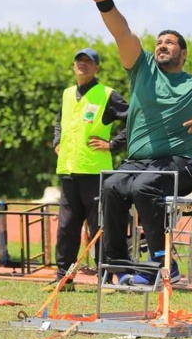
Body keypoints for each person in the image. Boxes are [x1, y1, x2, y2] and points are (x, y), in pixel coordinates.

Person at [85, 0, 192, 286]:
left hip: (181, 164)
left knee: (143, 189)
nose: (162, 45)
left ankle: (164, 264)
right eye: (159, 42)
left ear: (183, 53)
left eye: (170, 42)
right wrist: (105, 3)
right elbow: (122, 33)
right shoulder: (142, 67)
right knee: (111, 186)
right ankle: (117, 264)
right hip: (139, 163)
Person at [43, 47, 129, 291]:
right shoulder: (67, 94)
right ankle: (64, 278)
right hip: (68, 171)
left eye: (88, 61)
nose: (82, 64)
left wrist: (113, 144)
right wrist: (57, 141)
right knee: (66, 228)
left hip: (95, 173)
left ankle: (104, 278)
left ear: (96, 68)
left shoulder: (108, 94)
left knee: (98, 227)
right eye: (79, 61)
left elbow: (135, 118)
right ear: (73, 66)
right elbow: (58, 121)